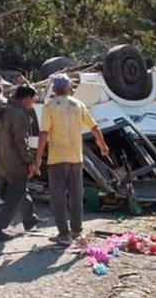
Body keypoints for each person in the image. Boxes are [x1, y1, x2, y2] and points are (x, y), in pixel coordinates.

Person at [34, 74, 110, 246]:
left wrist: (38, 158)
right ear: (69, 88)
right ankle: (76, 230)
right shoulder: (78, 105)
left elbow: (44, 133)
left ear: (54, 89)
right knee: (76, 194)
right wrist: (103, 146)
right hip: (76, 157)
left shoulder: (49, 106)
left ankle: (63, 234)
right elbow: (94, 127)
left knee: (58, 197)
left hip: (57, 158)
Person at [0, 86, 46, 242]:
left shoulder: (5, 109)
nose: (33, 103)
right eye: (32, 100)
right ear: (27, 99)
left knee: (20, 189)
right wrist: (30, 161)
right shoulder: (18, 114)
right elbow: (22, 140)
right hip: (15, 161)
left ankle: (29, 218)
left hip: (3, 158)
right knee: (15, 194)